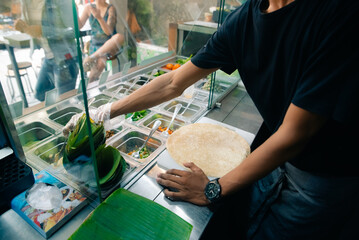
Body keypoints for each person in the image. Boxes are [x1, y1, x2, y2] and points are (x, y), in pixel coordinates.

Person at [64, 0, 359, 239]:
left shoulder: (337, 13)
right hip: (274, 158)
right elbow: (174, 82)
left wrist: (212, 189)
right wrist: (106, 111)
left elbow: (296, 133)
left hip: (322, 178)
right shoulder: (245, 17)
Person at [14, 0, 79, 102]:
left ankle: (64, 113)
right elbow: (31, 27)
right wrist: (23, 27)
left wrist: (43, 31)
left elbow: (73, 31)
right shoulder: (27, 3)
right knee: (41, 94)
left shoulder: (61, 2)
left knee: (64, 101)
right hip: (49, 57)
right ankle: (58, 113)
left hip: (66, 57)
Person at [78, 0, 122, 83]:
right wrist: (75, 11)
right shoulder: (89, 8)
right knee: (98, 66)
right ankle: (88, 87)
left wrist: (99, 18)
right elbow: (79, 26)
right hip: (95, 45)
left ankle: (91, 58)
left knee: (119, 37)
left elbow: (108, 31)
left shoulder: (110, 8)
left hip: (107, 44)